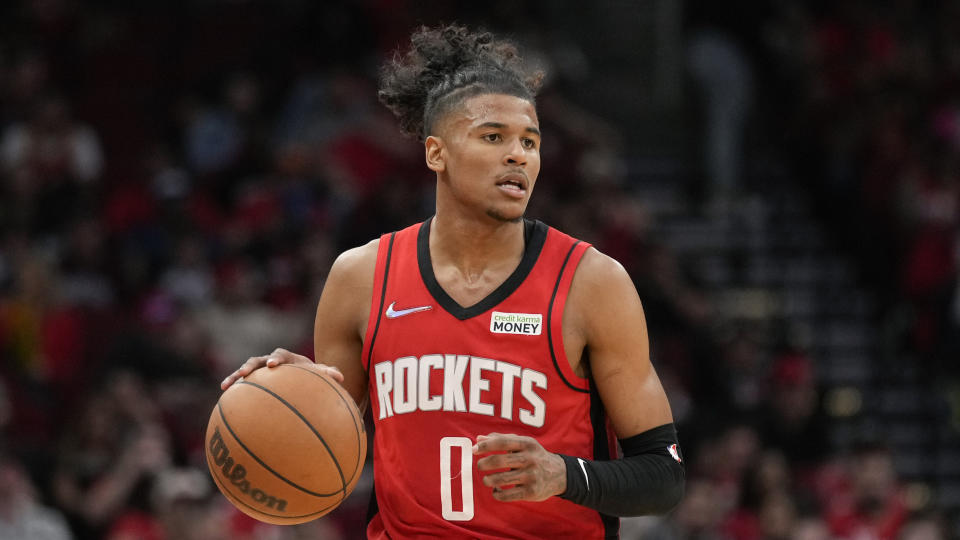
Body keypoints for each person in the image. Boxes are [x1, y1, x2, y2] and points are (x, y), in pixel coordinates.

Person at [221, 24, 685, 539]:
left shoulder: (591, 282)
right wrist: (288, 387)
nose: (519, 155)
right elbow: (328, 439)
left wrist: (565, 474)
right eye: (493, 137)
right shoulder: (361, 277)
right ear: (436, 153)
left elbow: (663, 476)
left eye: (530, 141)